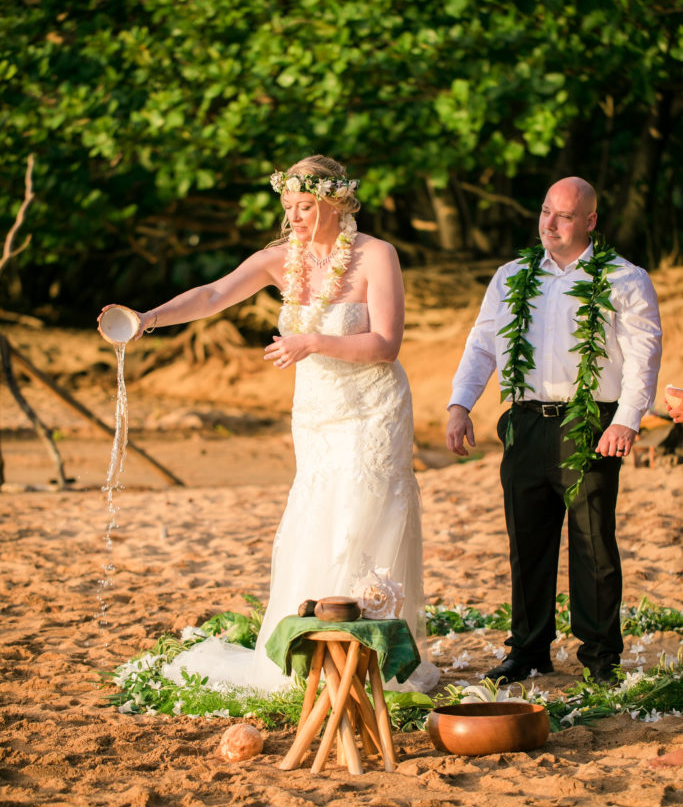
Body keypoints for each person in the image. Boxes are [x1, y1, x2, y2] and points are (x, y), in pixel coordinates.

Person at [99, 155, 439, 694]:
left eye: (305, 206)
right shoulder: (281, 259)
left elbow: (386, 344)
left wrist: (313, 341)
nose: (295, 217)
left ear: (335, 202)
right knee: (316, 512)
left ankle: (368, 655)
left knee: (366, 511)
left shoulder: (377, 255)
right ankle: (311, 654)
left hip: (373, 408)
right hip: (317, 411)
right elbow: (213, 294)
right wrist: (149, 319)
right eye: (289, 207)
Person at [446, 177, 662, 685]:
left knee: (593, 546)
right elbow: (481, 345)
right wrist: (461, 404)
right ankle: (529, 649)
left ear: (589, 221)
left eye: (564, 216)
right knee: (527, 542)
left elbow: (642, 357)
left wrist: (628, 420)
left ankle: (600, 655)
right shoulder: (511, 275)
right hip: (523, 424)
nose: (550, 223)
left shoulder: (624, 280)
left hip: (589, 423)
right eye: (546, 211)